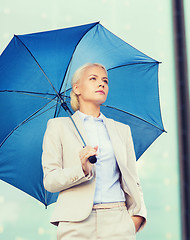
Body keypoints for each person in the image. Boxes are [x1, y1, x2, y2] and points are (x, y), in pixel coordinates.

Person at [42, 63, 147, 240]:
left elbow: (133, 180)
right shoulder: (58, 127)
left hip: (118, 221)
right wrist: (81, 170)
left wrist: (136, 219)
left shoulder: (122, 130)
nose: (101, 84)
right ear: (77, 88)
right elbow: (50, 181)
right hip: (75, 224)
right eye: (93, 79)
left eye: (105, 80)